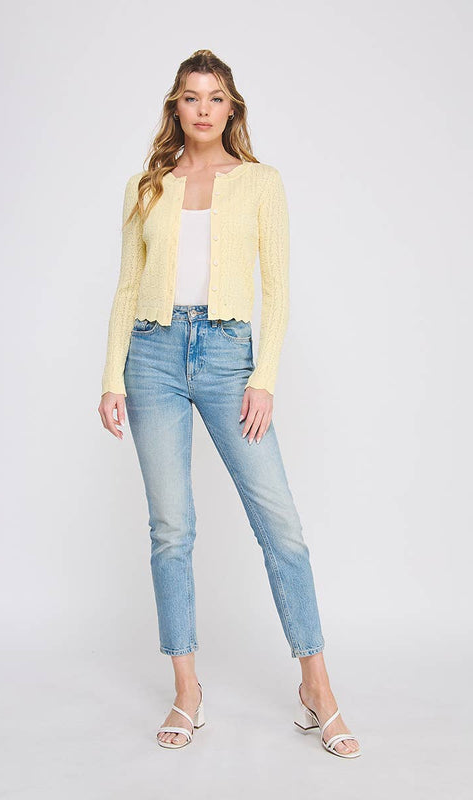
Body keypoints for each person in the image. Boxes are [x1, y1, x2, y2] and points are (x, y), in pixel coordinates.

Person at [98, 49, 361, 758]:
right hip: (151, 355)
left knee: (280, 527)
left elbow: (277, 286)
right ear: (176, 107)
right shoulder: (147, 185)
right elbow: (127, 286)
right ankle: (187, 691)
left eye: (215, 97)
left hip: (226, 354)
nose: (204, 109)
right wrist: (112, 378)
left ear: (231, 107)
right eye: (191, 97)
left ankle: (317, 689)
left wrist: (263, 376)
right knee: (171, 528)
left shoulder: (259, 183)